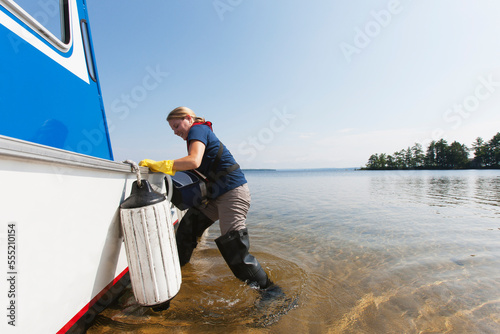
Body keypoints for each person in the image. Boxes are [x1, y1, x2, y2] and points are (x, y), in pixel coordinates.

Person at [140, 106, 273, 290]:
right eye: (173, 129)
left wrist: (161, 164)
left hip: (233, 193)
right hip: (214, 197)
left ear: (188, 118)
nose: (176, 132)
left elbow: (194, 161)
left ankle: (271, 292)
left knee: (234, 247)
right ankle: (178, 277)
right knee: (187, 229)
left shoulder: (198, 129)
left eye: (177, 126)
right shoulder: (195, 134)